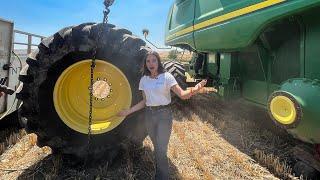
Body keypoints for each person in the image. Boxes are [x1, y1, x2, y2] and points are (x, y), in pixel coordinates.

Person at [118, 51, 206, 180]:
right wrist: (128, 111)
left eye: (153, 60)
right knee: (157, 147)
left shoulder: (167, 77)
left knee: (161, 149)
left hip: (163, 115)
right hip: (149, 114)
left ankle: (162, 177)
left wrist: (196, 89)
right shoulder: (144, 79)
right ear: (145, 64)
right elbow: (144, 101)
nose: (151, 63)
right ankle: (160, 173)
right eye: (148, 61)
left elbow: (182, 94)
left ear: (158, 62)